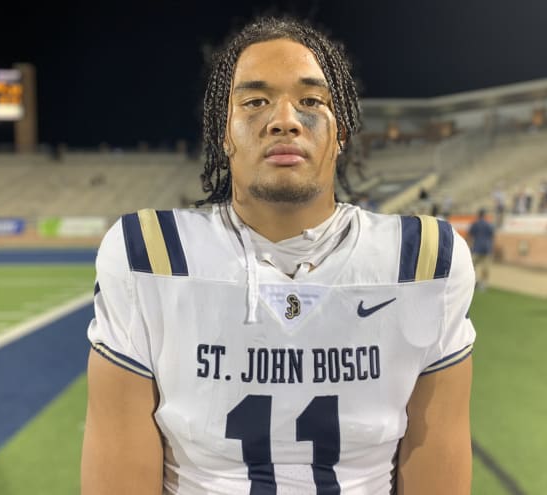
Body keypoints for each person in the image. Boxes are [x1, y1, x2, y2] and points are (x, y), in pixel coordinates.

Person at [81, 15, 476, 495]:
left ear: (342, 132)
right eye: (255, 102)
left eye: (311, 101)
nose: (285, 119)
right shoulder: (149, 256)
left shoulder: (423, 262)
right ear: (223, 132)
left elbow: (437, 464)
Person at [468, 208, 495, 291]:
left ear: (478, 215)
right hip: (487, 249)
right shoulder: (489, 224)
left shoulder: (475, 224)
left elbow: (470, 235)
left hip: (477, 248)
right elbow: (492, 236)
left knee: (471, 267)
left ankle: (472, 282)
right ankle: (483, 284)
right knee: (485, 268)